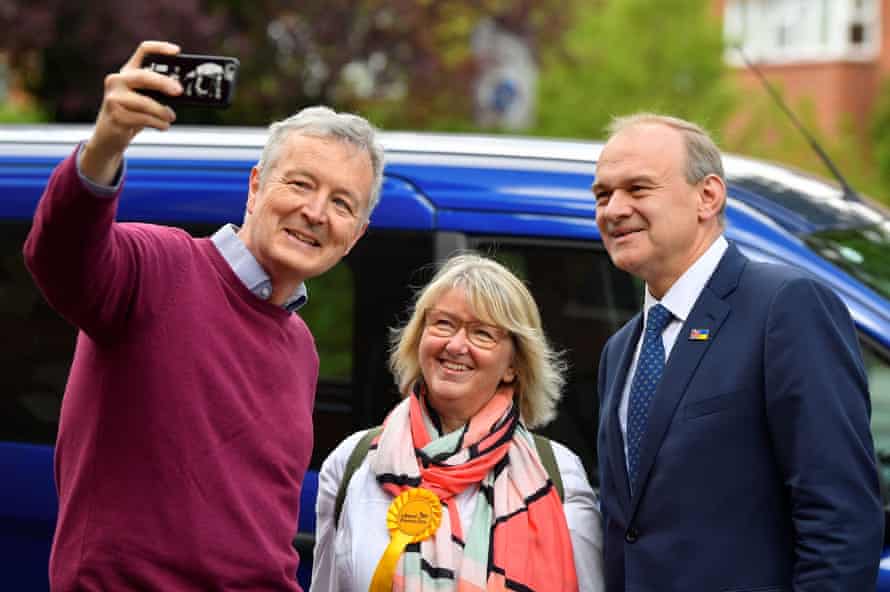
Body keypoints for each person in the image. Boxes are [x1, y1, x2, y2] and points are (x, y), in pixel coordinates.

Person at [23, 41, 383, 591]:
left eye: (342, 203)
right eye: (301, 184)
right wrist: (106, 144)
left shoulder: (300, 348)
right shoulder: (159, 267)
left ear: (354, 237)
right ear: (257, 186)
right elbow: (60, 255)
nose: (316, 212)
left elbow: (261, 541)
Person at [592, 113, 884, 591]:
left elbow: (841, 523)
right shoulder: (621, 349)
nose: (613, 209)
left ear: (708, 195)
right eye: (602, 195)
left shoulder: (785, 308)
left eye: (638, 189)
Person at [310, 253, 604, 592]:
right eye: (443, 324)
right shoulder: (355, 462)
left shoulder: (558, 474)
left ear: (513, 365)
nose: (456, 345)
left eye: (482, 333)